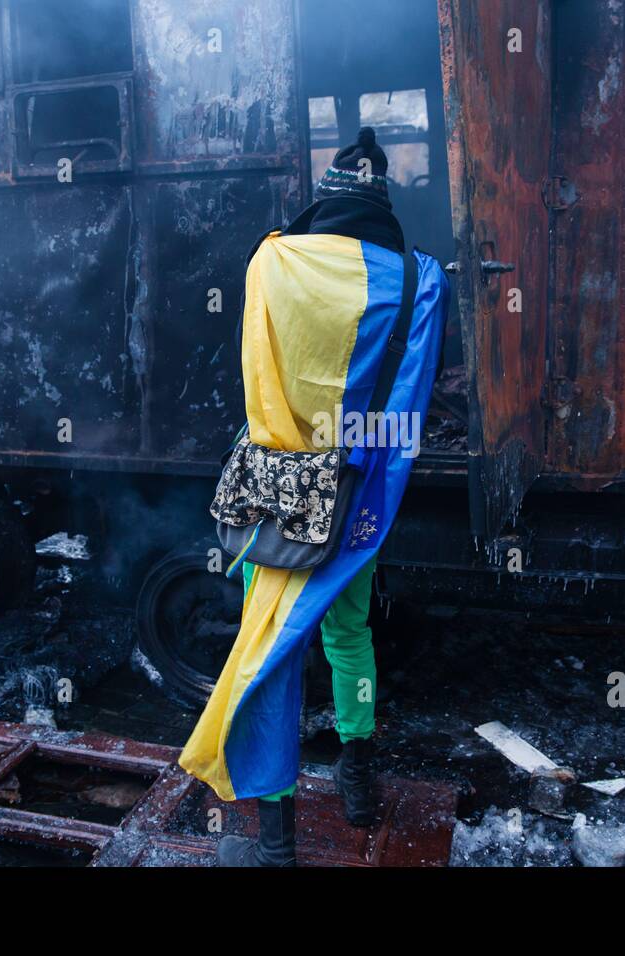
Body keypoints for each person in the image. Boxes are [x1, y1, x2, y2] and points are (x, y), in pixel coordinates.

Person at [180, 127, 448, 867]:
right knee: (349, 633)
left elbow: (255, 378)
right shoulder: (418, 277)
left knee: (273, 646)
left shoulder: (271, 260)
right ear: (382, 200)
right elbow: (410, 403)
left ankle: (276, 840)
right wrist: (367, 474)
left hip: (277, 494)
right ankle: (358, 782)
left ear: (325, 196)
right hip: (356, 495)